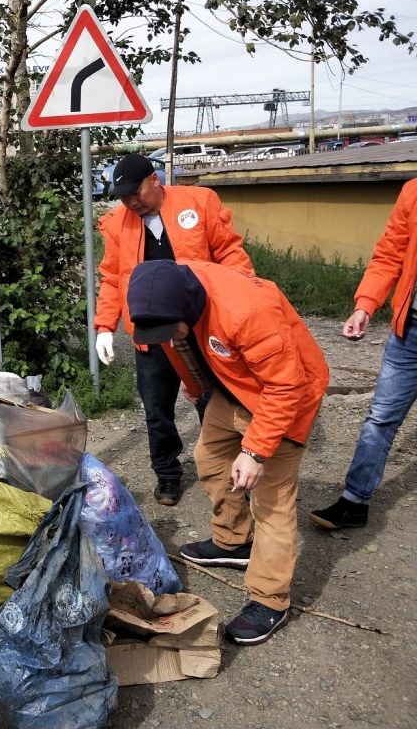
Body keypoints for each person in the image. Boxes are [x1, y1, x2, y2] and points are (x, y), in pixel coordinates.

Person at [127, 259, 328, 645]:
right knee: (211, 457)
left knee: (271, 501)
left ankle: (270, 599)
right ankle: (233, 542)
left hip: (287, 396)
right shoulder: (166, 290)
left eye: (170, 328)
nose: (166, 336)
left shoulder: (247, 312)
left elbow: (287, 387)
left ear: (188, 306)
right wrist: (197, 383)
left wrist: (254, 451)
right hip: (235, 386)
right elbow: (181, 345)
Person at [95, 152, 255, 506]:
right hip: (151, 333)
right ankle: (167, 474)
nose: (130, 202)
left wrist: (244, 299)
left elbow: (229, 253)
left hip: (201, 326)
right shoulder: (119, 223)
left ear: (156, 180)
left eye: (135, 193)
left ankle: (228, 469)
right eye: (123, 197)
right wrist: (105, 326)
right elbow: (111, 277)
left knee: (215, 401)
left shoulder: (199, 203)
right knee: (157, 408)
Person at [311, 178, 417, 530]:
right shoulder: (413, 192)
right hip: (410, 332)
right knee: (380, 418)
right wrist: (366, 306)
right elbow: (390, 253)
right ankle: (354, 502)